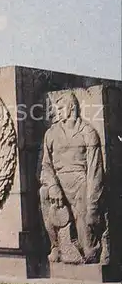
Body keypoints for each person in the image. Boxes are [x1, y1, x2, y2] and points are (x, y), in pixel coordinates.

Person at [39, 92, 106, 264]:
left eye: (61, 108)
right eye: (56, 109)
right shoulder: (51, 133)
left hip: (81, 181)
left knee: (89, 252)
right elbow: (46, 166)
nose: (58, 112)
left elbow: (95, 170)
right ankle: (56, 245)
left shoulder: (88, 132)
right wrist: (53, 186)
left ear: (72, 107)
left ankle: (89, 245)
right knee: (43, 192)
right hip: (58, 182)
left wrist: (93, 202)